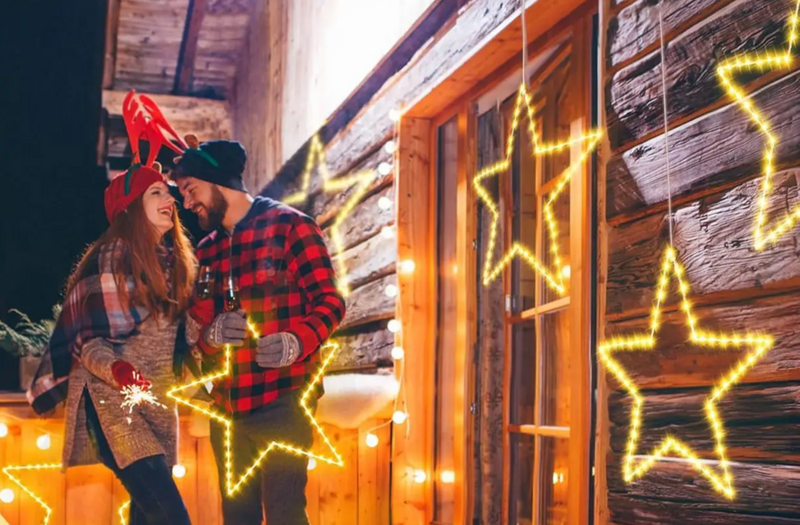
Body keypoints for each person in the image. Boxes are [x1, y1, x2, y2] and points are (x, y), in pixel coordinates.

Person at [29, 92, 200, 525]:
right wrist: (119, 370)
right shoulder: (111, 258)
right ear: (130, 208)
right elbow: (89, 342)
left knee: (149, 517)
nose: (170, 201)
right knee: (172, 518)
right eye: (157, 192)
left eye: (169, 193)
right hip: (112, 403)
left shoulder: (175, 264)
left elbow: (186, 334)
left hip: (155, 399)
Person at [173, 138, 346, 525]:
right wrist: (211, 337)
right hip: (227, 411)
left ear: (218, 180)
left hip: (283, 402)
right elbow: (197, 332)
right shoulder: (208, 250)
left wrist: (295, 341)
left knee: (285, 516)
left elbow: (331, 303)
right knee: (237, 517)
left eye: (190, 190)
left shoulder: (291, 227)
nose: (187, 203)